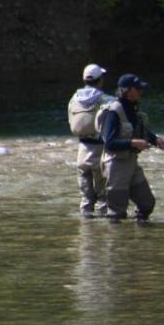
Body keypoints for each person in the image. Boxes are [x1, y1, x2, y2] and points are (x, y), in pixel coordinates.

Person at [96, 73, 164, 222]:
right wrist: (133, 143)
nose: (141, 91)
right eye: (138, 88)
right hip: (116, 165)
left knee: (147, 204)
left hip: (131, 163)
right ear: (127, 91)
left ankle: (139, 239)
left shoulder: (132, 109)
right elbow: (109, 143)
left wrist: (155, 140)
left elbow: (140, 130)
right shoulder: (113, 112)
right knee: (117, 213)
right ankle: (118, 242)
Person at [66, 63, 115, 217]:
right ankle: (104, 233)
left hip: (82, 151)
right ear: (100, 80)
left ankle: (86, 233)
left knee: (86, 199)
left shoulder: (73, 99)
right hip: (100, 151)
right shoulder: (106, 99)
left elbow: (70, 121)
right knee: (103, 198)